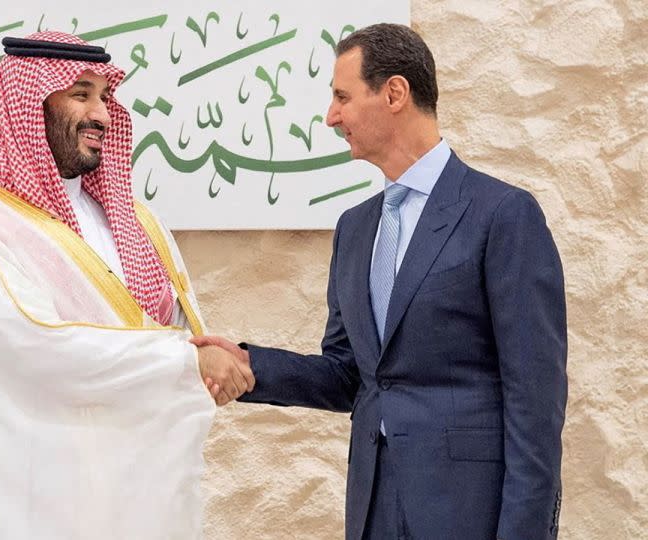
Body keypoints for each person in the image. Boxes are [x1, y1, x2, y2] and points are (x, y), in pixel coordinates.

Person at [195, 23, 567, 539]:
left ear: (394, 92)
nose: (331, 116)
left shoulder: (503, 215)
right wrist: (252, 366)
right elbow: (353, 374)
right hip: (374, 511)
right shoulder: (355, 228)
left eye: (342, 97)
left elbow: (536, 403)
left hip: (468, 515)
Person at [0, 31, 252, 539]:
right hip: (28, 505)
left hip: (137, 503)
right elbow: (32, 345)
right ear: (30, 107)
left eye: (104, 97)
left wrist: (209, 360)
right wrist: (186, 362)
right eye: (80, 95)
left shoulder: (140, 223)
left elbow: (180, 328)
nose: (101, 113)